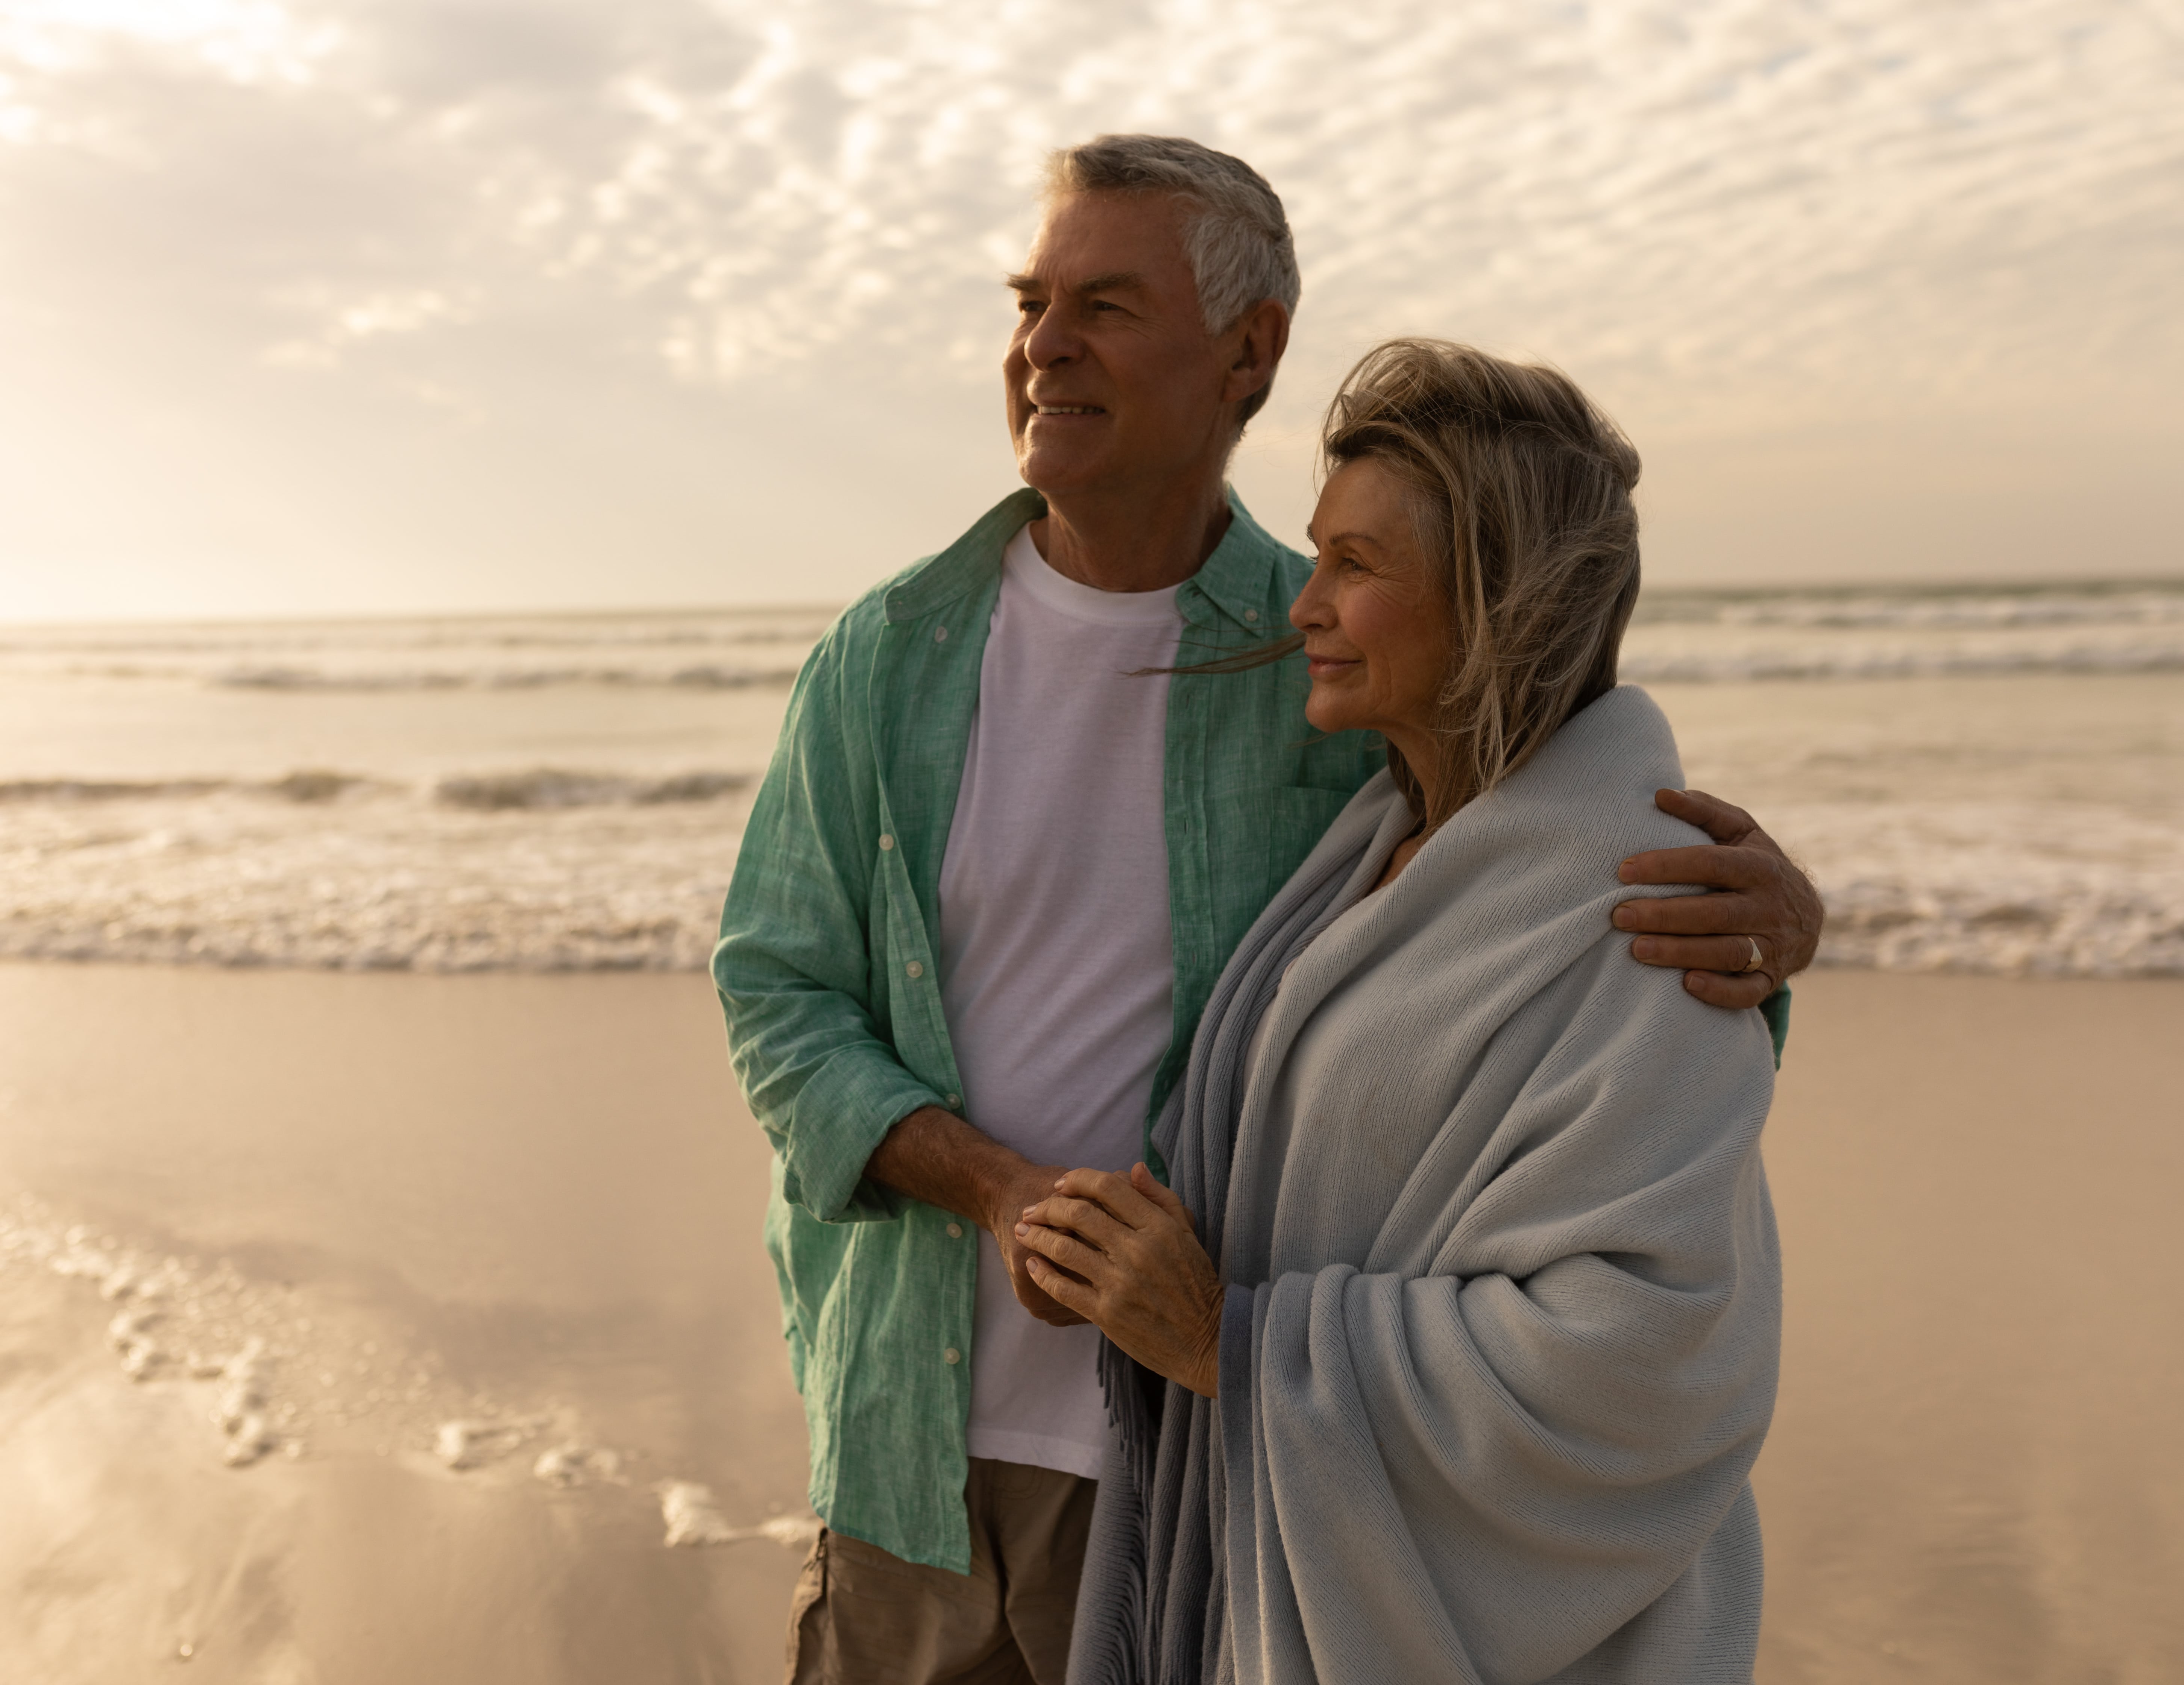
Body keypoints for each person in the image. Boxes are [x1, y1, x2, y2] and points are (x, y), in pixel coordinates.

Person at [713, 136, 1817, 1685]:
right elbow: (776, 993)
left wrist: (1770, 925)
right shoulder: (884, 656)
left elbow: (1539, 860)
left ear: (1252, 352)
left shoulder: (1339, 651)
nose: (1044, 344)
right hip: (909, 1427)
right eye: (1032, 301)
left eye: (1103, 302)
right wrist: (994, 1188)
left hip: (1183, 1455)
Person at [1023, 339, 1780, 1684]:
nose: (1303, 606)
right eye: (1318, 556)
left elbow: (1644, 1363)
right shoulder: (1380, 847)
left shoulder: (1657, 908)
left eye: (1357, 567)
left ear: (1499, 603)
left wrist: (1225, 1343)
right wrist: (1117, 1257)